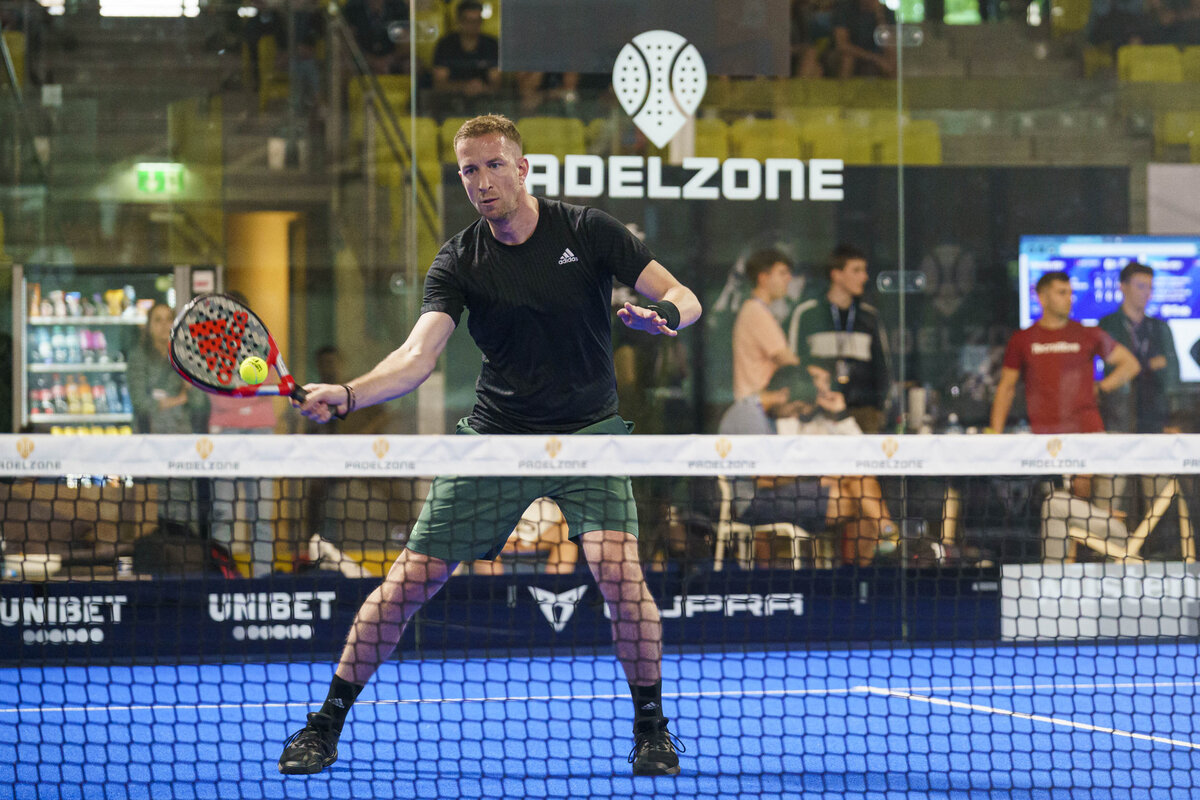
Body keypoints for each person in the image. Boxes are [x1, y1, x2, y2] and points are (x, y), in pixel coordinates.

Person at [278, 114, 700, 777]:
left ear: (523, 167)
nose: (481, 180)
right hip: (496, 439)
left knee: (620, 575)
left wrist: (665, 315)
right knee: (408, 583)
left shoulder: (587, 231)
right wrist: (351, 393)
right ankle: (325, 722)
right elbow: (417, 357)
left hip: (588, 436)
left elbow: (683, 294)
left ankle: (652, 728)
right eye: (468, 170)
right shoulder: (459, 259)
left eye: (494, 164)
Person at [989, 271, 1142, 563]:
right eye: (1061, 292)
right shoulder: (1023, 339)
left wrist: (1103, 386)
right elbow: (1006, 387)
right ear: (1042, 296)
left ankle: (1115, 558)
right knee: (1056, 510)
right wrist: (994, 437)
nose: (1068, 298)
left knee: (1101, 515)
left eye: (1070, 292)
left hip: (1093, 439)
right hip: (1049, 448)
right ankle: (1062, 577)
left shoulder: (1087, 334)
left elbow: (1129, 364)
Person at [718, 366, 891, 567]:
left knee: (858, 487)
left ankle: (882, 538)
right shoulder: (750, 417)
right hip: (753, 503)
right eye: (797, 408)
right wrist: (816, 477)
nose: (794, 414)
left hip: (777, 493)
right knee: (852, 500)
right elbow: (764, 478)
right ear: (784, 394)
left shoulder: (766, 416)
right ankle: (883, 537)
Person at [787, 244, 891, 433]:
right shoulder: (808, 314)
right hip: (819, 413)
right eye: (857, 270)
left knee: (867, 461)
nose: (864, 277)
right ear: (836, 274)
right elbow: (794, 364)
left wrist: (877, 408)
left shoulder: (869, 317)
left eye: (865, 270)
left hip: (864, 413)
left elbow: (882, 370)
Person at [126, 301, 211, 529]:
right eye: (158, 320)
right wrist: (179, 398)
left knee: (183, 510)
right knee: (151, 512)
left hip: (182, 444)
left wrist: (187, 394)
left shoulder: (186, 356)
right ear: (148, 326)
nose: (164, 325)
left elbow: (200, 403)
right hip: (148, 445)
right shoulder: (138, 357)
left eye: (168, 319)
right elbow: (141, 403)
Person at [1098, 261, 1180, 434]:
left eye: (1150, 287)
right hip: (1117, 413)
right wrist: (1148, 365)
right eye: (1141, 286)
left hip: (1154, 414)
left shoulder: (1159, 328)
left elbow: (1171, 374)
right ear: (1123, 287)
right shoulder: (1107, 325)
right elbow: (1113, 368)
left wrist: (1173, 417)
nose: (1147, 293)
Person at [732, 248, 801, 401]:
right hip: (757, 404)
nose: (788, 279)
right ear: (763, 278)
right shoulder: (755, 311)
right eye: (782, 273)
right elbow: (785, 358)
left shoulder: (754, 310)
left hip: (755, 403)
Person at [431, 1, 500, 115]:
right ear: (459, 21)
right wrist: (463, 87)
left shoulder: (491, 45)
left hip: (486, 106)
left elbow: (497, 84)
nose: (473, 25)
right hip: (449, 105)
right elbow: (439, 83)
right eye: (468, 20)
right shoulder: (445, 45)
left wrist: (482, 88)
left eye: (477, 21)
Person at [827, 0, 896, 78]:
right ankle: (843, 89)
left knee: (893, 60)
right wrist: (875, 59)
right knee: (847, 59)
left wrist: (880, 17)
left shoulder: (887, 13)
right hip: (852, 54)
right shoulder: (844, 9)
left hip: (876, 56)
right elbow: (842, 45)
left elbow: (890, 47)